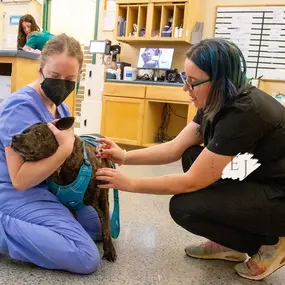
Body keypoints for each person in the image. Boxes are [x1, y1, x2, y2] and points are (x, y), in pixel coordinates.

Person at [96, 38, 285, 281]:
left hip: (279, 194)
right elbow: (175, 148)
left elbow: (191, 182)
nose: (186, 88)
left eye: (193, 82)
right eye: (186, 79)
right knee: (191, 155)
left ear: (219, 81)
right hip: (260, 174)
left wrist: (130, 184)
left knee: (185, 208)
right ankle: (231, 245)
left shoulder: (245, 112)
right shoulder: (217, 100)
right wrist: (124, 156)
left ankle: (271, 244)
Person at [0, 34, 103, 274]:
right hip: (15, 191)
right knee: (86, 256)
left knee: (97, 227)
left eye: (70, 79)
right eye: (55, 77)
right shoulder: (21, 108)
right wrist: (65, 150)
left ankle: (46, 228)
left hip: (46, 187)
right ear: (40, 71)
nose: (62, 84)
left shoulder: (61, 107)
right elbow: (20, 180)